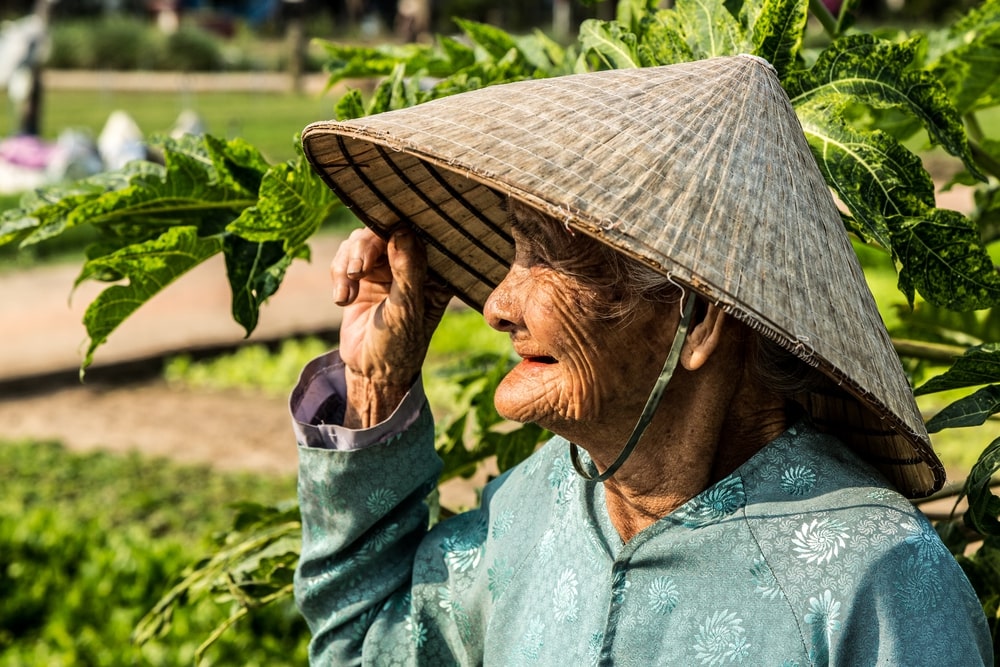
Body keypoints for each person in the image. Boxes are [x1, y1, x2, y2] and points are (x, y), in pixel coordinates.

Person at [292, 55, 992, 665]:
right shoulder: (533, 509)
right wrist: (374, 383)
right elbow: (369, 650)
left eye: (547, 256)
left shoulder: (878, 579)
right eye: (514, 252)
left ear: (700, 320)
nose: (497, 303)